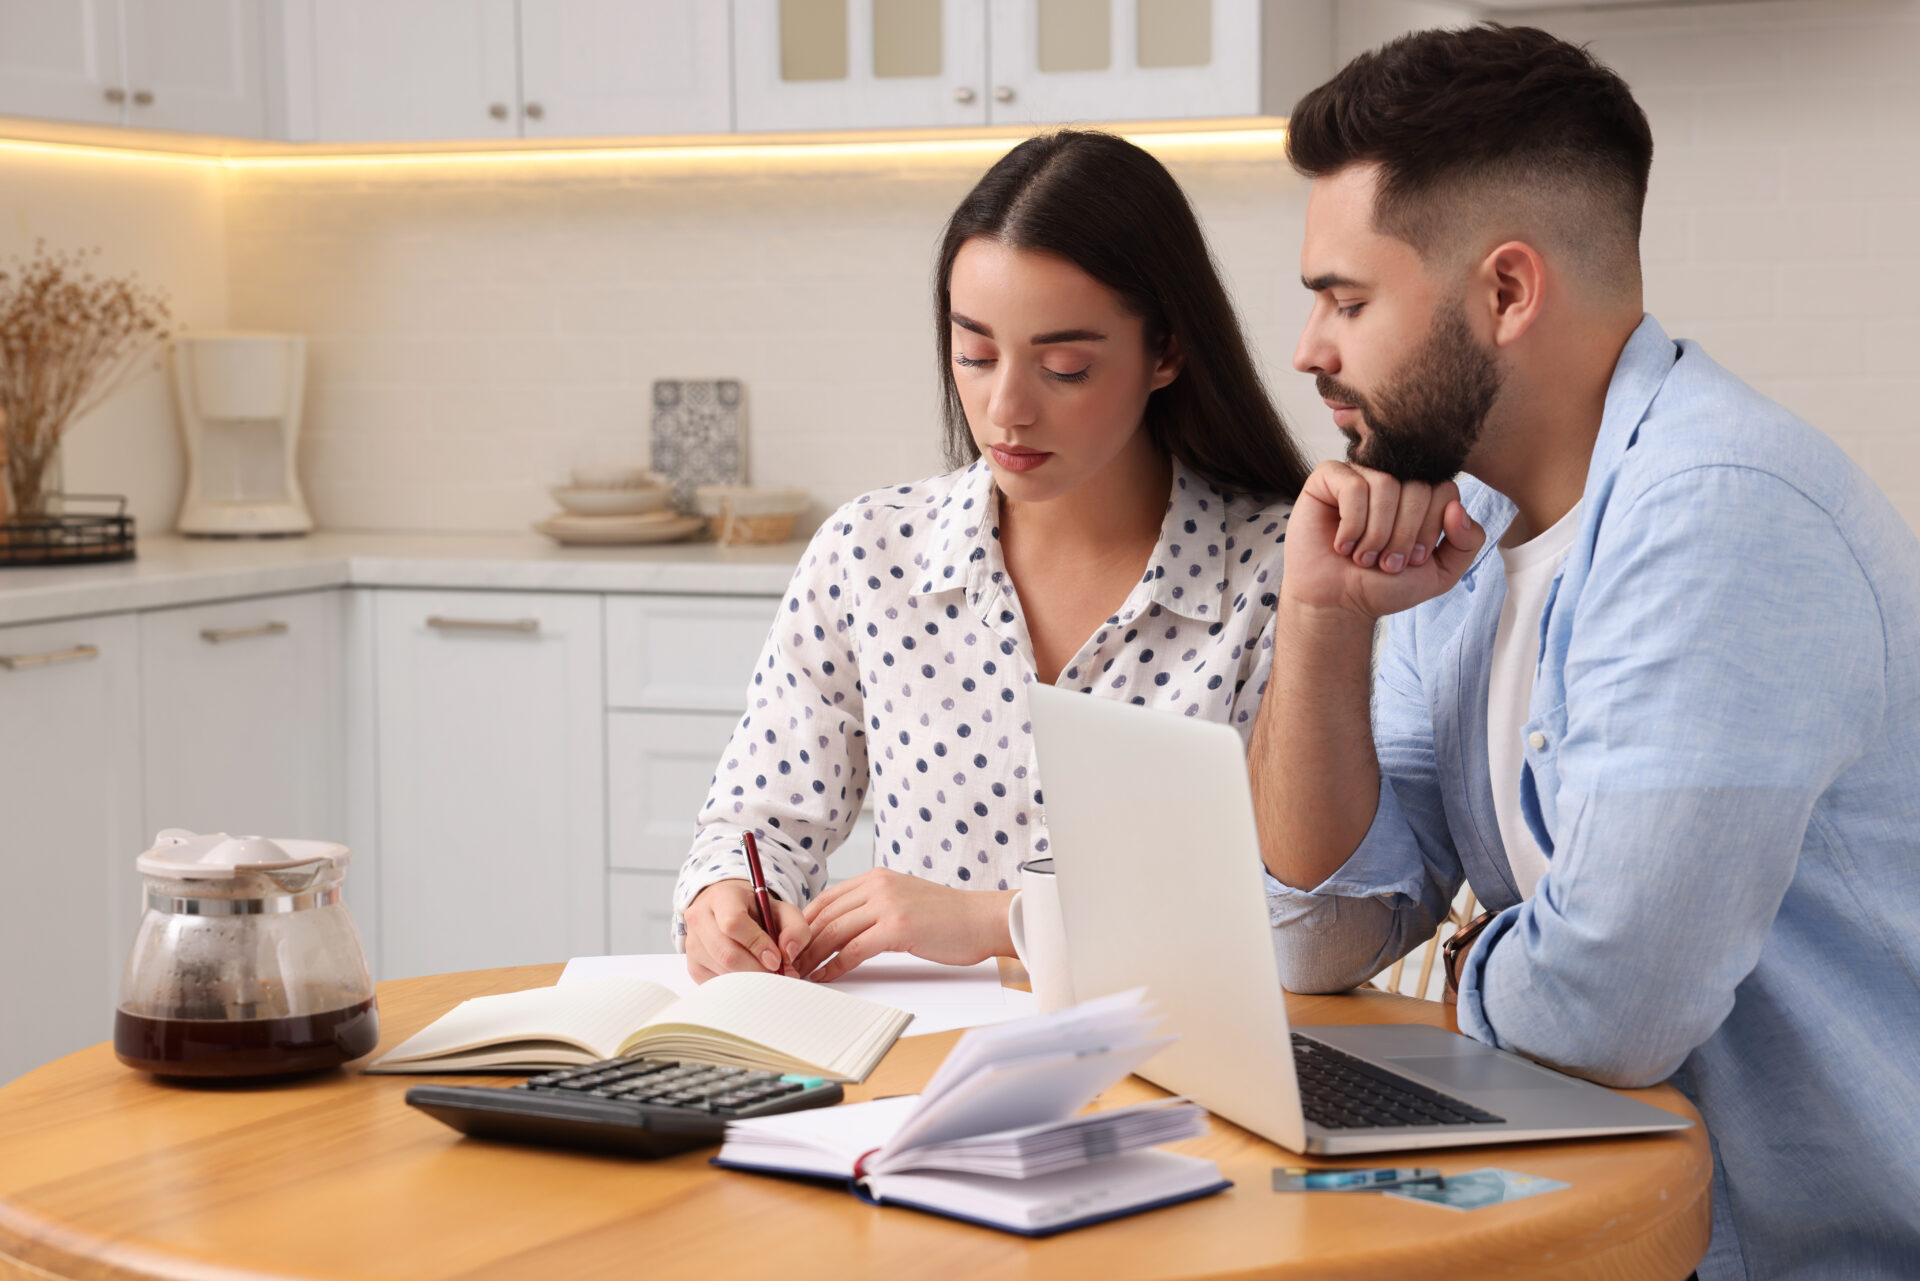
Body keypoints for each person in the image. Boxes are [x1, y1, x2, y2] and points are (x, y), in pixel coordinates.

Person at [1251, 24, 1920, 1279]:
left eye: (1346, 300)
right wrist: (1324, 621)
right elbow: (1321, 935)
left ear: (1507, 292)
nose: (1310, 350)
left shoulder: (1720, 510)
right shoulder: (1468, 524)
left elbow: (1608, 1012)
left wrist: (1454, 966)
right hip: (1594, 1206)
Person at [675, 130, 1313, 985]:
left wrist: (995, 920)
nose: (1005, 408)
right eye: (974, 354)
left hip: (1179, 1069)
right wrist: (722, 898)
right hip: (916, 1071)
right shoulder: (870, 554)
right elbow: (759, 822)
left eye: (1064, 368)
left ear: (1166, 351)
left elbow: (1291, 911)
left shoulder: (1281, 574)